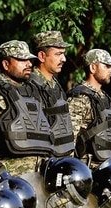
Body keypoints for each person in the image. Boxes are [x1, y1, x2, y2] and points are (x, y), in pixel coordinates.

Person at [0, 40, 51, 175]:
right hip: (10, 172)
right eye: (22, 60)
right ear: (6, 64)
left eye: (29, 60)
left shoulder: (34, 90)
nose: (29, 64)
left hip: (40, 171)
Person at [67, 49, 111, 165]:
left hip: (110, 165)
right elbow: (70, 139)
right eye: (107, 66)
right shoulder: (80, 97)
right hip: (89, 168)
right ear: (93, 68)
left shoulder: (105, 97)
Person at [30, 30, 75, 158]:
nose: (64, 59)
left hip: (61, 156)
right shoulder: (30, 86)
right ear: (42, 56)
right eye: (58, 54)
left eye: (63, 54)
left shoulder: (56, 85)